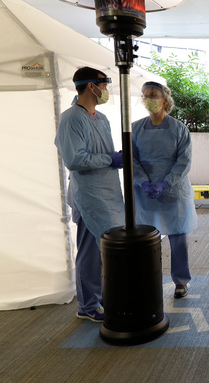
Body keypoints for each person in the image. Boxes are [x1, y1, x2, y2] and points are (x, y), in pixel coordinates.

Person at [54, 66, 125, 322]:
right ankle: (87, 305)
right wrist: (109, 159)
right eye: (103, 84)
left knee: (104, 250)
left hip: (107, 192)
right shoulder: (71, 118)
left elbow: (102, 152)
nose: (106, 89)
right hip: (87, 195)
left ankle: (102, 295)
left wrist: (116, 158)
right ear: (91, 86)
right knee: (89, 251)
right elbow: (74, 159)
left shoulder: (101, 118)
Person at [132, 81, 197, 298]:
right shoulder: (135, 129)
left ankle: (181, 281)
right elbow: (132, 160)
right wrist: (144, 182)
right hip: (145, 192)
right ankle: (147, 279)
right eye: (145, 95)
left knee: (178, 237)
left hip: (173, 191)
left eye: (153, 95)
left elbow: (184, 162)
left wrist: (165, 183)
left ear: (165, 100)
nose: (148, 99)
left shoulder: (179, 129)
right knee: (146, 239)